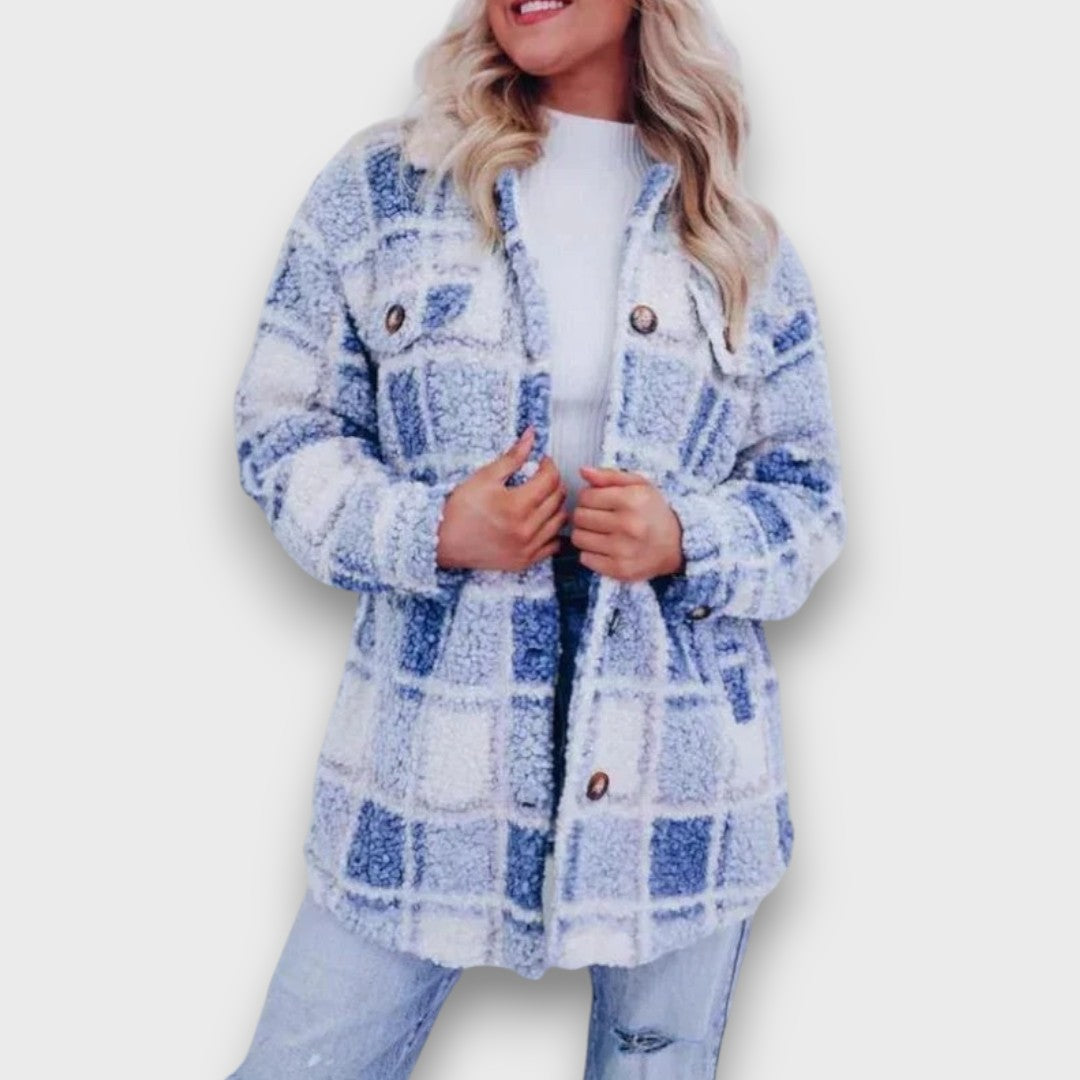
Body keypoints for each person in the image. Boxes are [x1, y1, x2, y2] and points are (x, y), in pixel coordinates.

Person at [226, 0, 846, 1076]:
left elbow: (810, 500)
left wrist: (685, 537)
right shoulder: (385, 189)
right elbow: (281, 429)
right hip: (424, 776)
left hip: (679, 794)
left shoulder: (735, 238)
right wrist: (432, 528)